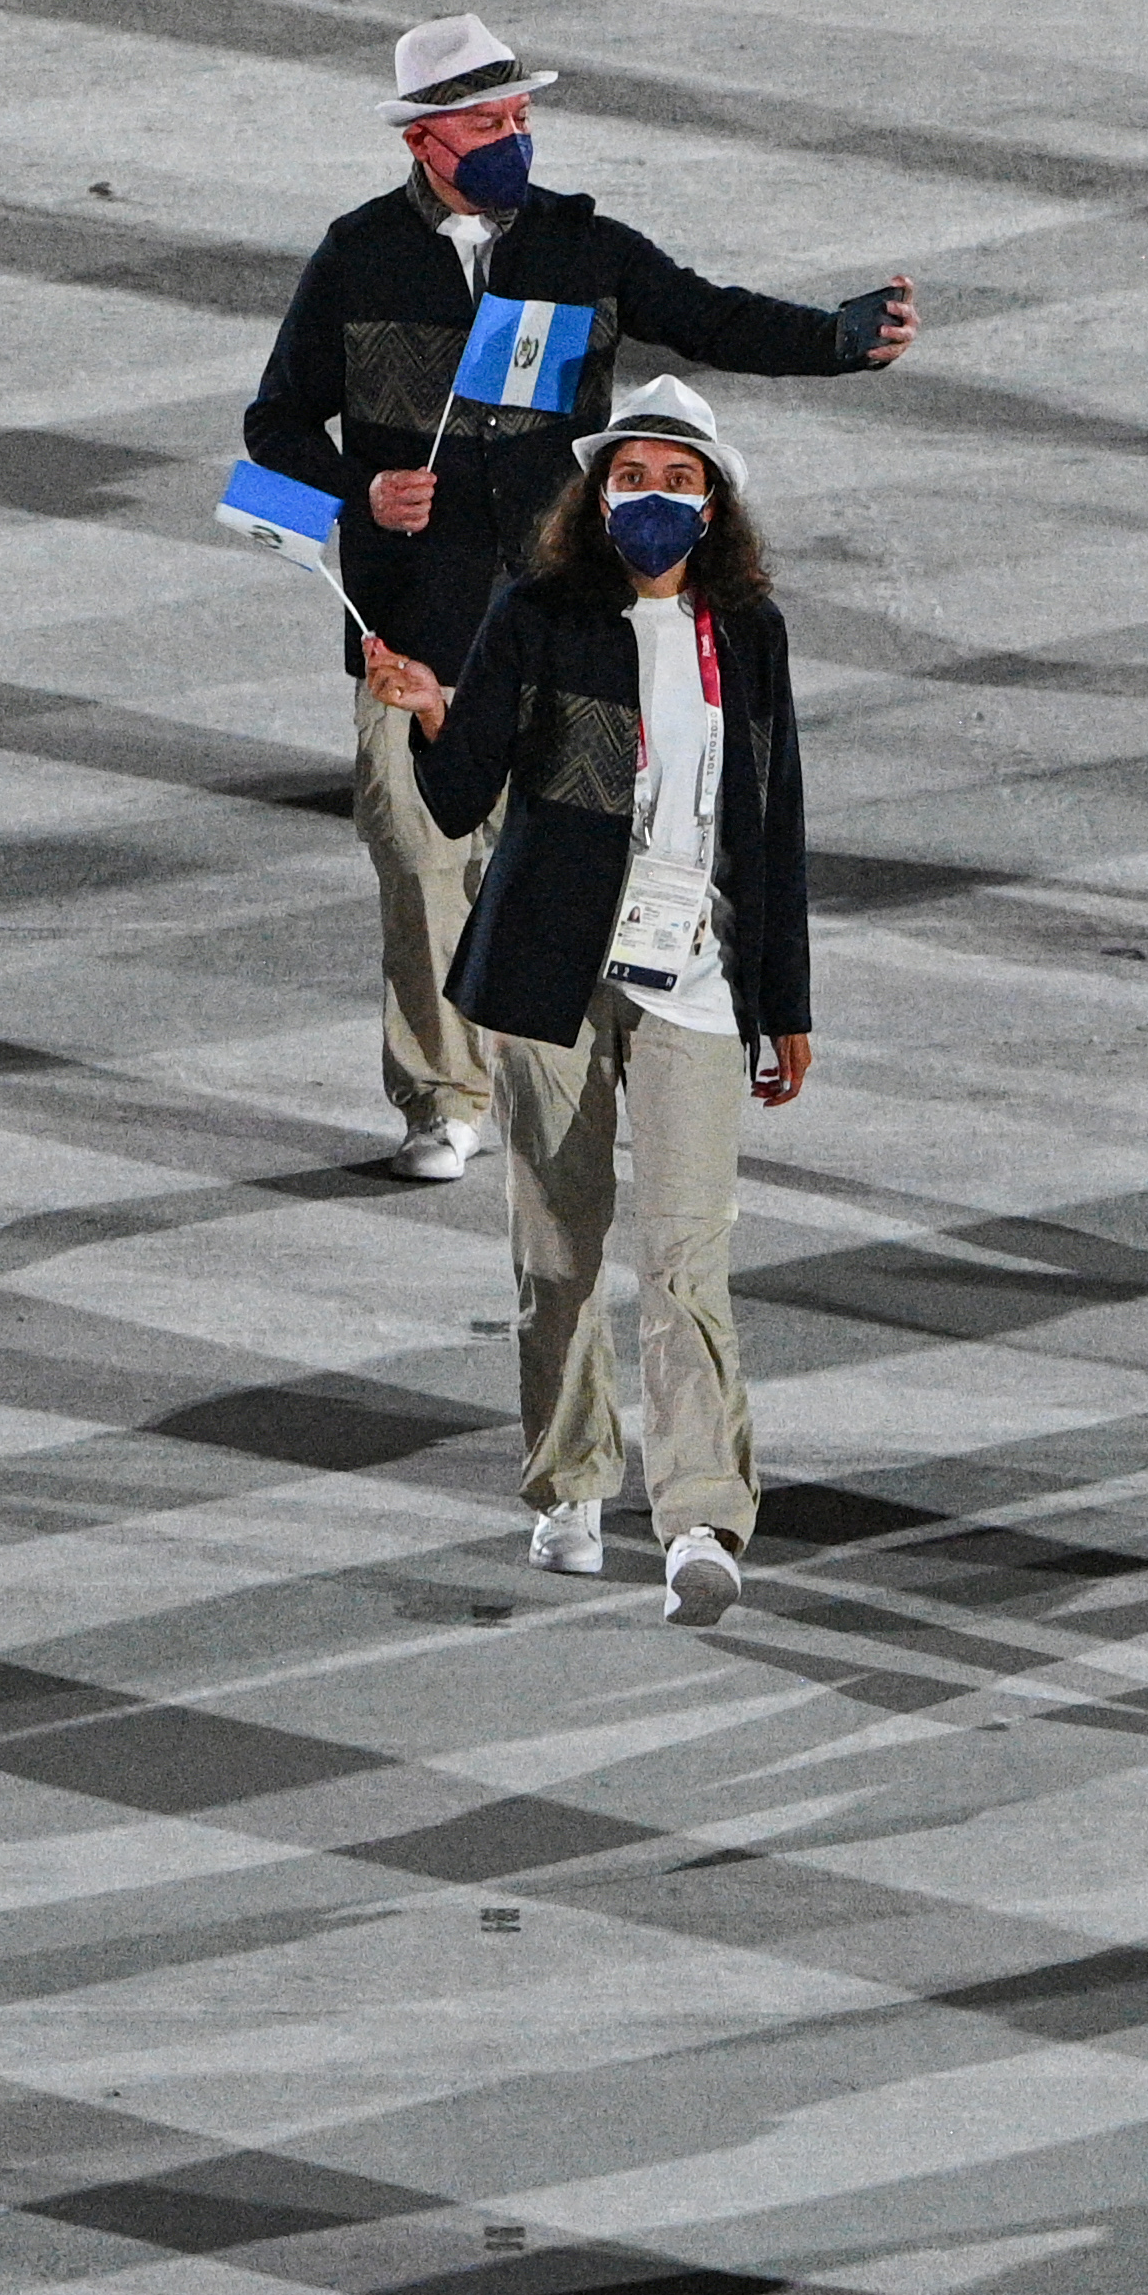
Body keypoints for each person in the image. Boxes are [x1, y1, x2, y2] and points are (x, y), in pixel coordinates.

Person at [246, 15, 914, 1181]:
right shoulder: (356, 257)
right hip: (415, 620)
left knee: (564, 850)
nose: (514, 138)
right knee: (418, 855)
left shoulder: (579, 245)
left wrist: (841, 340)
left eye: (522, 118)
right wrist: (362, 491)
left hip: (563, 617)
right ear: (426, 135)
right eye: (489, 121)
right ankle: (441, 1097)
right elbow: (275, 426)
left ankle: (559, 1074)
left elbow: (706, 314)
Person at [358, 379, 810, 1632]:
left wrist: (788, 1000)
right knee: (559, 1255)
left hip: (702, 987)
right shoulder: (542, 613)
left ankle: (702, 1519)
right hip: (553, 981)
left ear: (711, 501)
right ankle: (568, 1482)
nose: (652, 499)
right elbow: (461, 796)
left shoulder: (749, 634)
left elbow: (775, 825)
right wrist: (430, 709)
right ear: (595, 494)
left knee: (687, 1257)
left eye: (677, 481)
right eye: (631, 478)